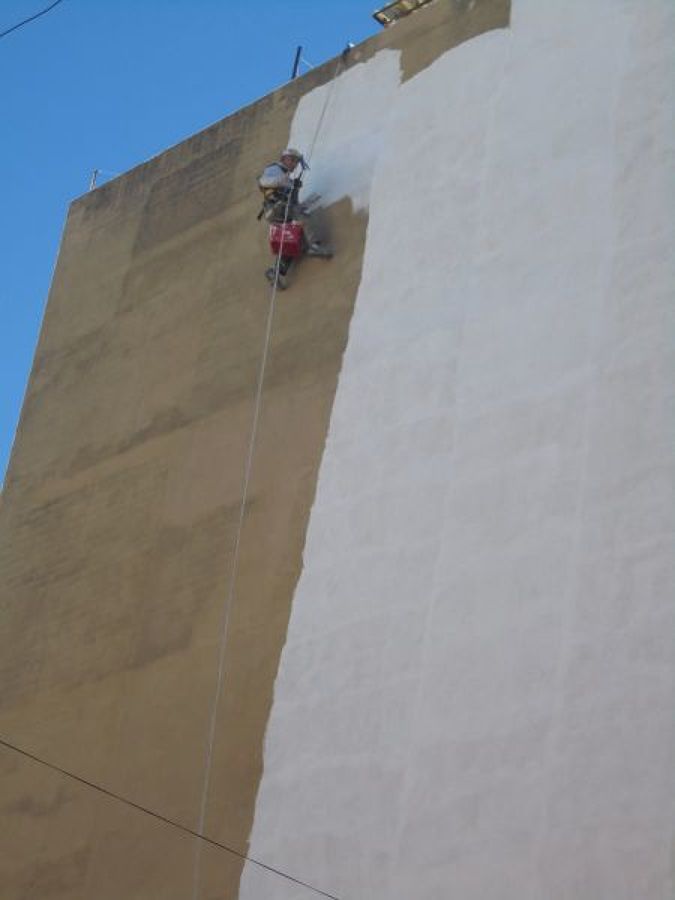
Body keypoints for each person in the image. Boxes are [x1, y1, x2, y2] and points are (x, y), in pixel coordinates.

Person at [257, 148, 331, 257]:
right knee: (303, 216)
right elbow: (262, 181)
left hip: (281, 210)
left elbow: (293, 202)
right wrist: (286, 182)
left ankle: (291, 254)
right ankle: (314, 245)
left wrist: (294, 188)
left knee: (297, 219)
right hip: (275, 208)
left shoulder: (286, 177)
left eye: (296, 161)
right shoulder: (275, 168)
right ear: (283, 159)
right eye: (291, 159)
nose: (294, 163)